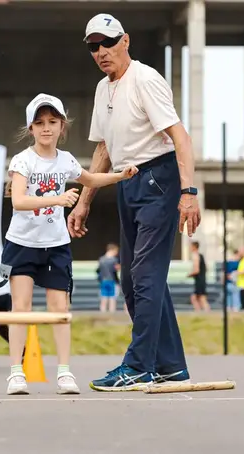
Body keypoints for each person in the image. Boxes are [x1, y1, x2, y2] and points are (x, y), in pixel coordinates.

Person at [67, 14, 201, 391]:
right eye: (94, 46)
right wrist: (84, 202)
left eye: (107, 42)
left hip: (158, 178)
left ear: (125, 40)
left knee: (145, 275)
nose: (101, 52)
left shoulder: (145, 79)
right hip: (127, 182)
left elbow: (180, 136)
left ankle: (139, 364)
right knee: (134, 280)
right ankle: (171, 365)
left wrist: (189, 192)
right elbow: (103, 149)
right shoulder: (102, 89)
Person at [1, 92, 138, 396]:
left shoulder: (67, 161)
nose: (46, 128)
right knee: (20, 307)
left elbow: (90, 179)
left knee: (59, 308)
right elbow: (19, 200)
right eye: (39, 123)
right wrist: (58, 199)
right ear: (31, 128)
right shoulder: (22, 160)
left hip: (56, 244)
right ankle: (15, 373)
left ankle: (64, 372)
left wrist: (120, 176)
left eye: (52, 122)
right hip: (21, 243)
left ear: (62, 126)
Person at [97, 243, 120, 313]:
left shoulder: (101, 259)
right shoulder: (114, 260)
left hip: (103, 281)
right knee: (112, 298)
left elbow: (98, 270)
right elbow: (116, 270)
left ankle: (102, 313)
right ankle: (112, 313)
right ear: (112, 250)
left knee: (104, 297)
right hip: (112, 281)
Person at [188, 241, 209, 311]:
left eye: (191, 246)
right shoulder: (201, 255)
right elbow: (206, 268)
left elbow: (196, 270)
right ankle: (202, 312)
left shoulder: (195, 255)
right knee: (198, 297)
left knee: (199, 298)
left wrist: (189, 275)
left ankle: (202, 312)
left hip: (199, 280)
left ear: (194, 247)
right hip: (202, 279)